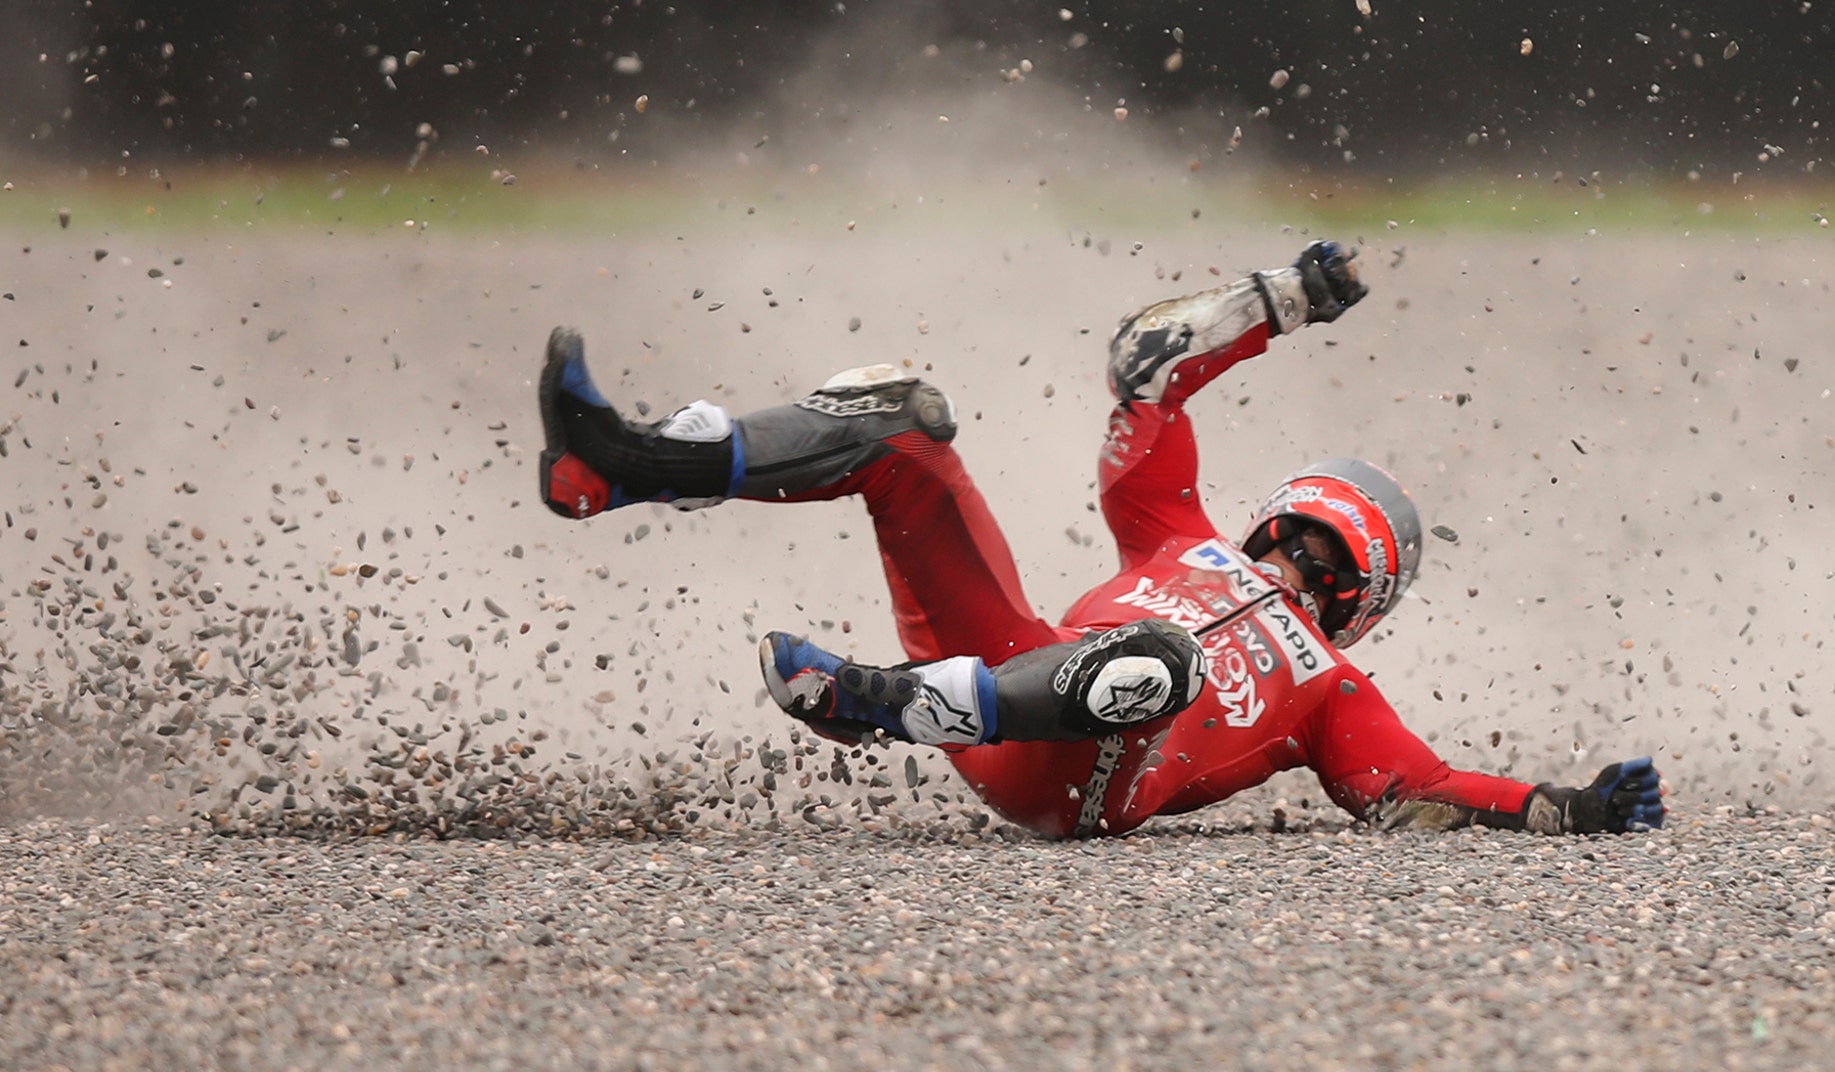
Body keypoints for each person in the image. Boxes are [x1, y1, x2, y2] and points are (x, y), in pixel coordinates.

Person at [536, 241, 1665, 839]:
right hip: (1010, 662)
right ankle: (624, 464)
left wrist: (1561, 811)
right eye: (1292, 542)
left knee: (1158, 665)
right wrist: (1278, 300)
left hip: (1083, 777)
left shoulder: (1335, 692)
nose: (1290, 571)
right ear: (1268, 519)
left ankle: (881, 703)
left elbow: (1413, 792)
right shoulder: (1177, 528)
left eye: (1324, 573)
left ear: (1354, 604)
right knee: (903, 421)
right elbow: (1148, 374)